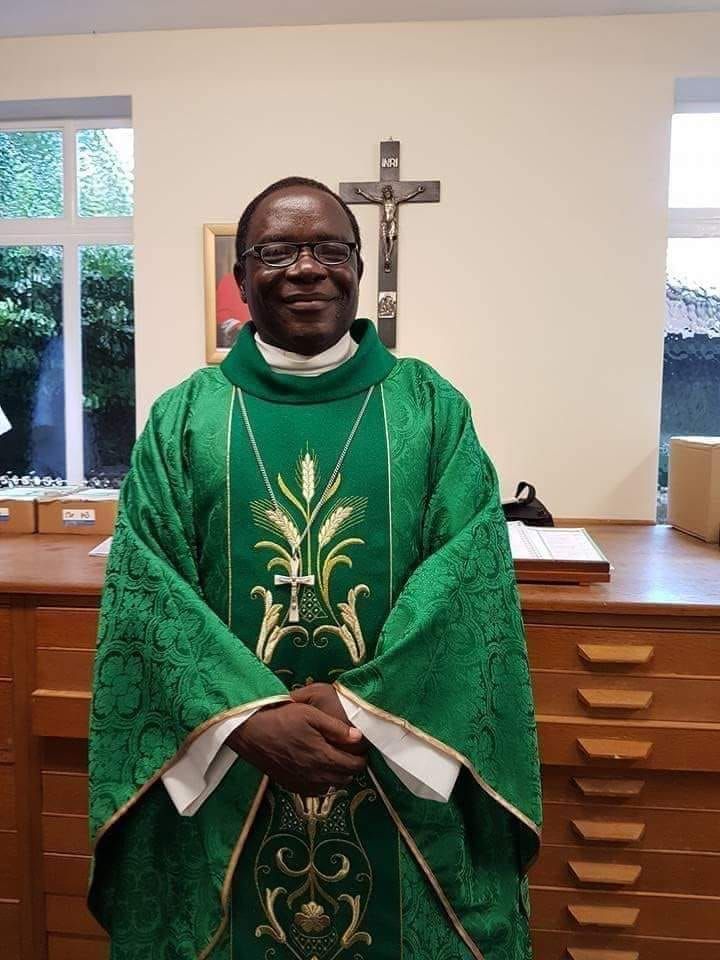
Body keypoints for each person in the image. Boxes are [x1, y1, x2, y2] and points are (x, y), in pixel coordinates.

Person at [88, 176, 541, 960]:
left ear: (360, 268)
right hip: (231, 780)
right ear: (241, 278)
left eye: (331, 249)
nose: (307, 268)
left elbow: (469, 587)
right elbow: (147, 598)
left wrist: (362, 709)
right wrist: (247, 719)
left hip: (397, 790)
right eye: (278, 251)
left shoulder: (431, 411)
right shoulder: (182, 421)